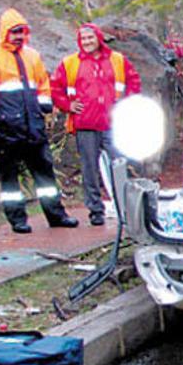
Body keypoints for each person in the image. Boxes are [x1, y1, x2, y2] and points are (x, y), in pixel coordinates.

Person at [0, 9, 78, 233]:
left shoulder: (32, 56)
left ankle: (56, 215)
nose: (19, 36)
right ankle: (17, 219)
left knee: (45, 175)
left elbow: (43, 85)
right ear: (4, 33)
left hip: (33, 128)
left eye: (22, 31)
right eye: (14, 32)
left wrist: (47, 111)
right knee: (9, 179)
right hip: (5, 130)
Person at [51, 23, 141, 226]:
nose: (87, 42)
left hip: (114, 124)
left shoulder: (117, 60)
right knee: (89, 169)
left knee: (120, 167)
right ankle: (95, 210)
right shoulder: (70, 63)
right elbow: (55, 87)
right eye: (83, 39)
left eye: (90, 38)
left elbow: (133, 81)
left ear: (98, 38)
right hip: (85, 124)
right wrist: (67, 105)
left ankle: (125, 209)